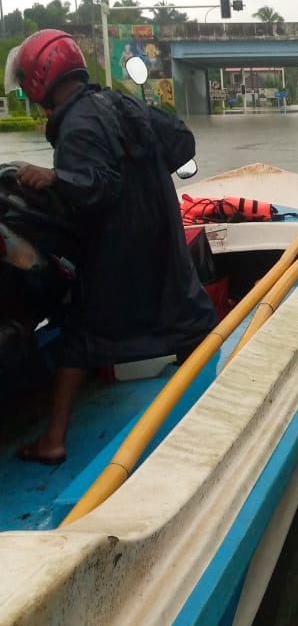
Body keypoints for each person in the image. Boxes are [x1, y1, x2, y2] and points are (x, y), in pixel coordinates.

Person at [4, 30, 218, 464]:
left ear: (39, 79)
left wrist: (56, 178)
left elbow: (97, 189)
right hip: (165, 251)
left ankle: (54, 440)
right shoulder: (123, 104)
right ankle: (214, 417)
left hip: (118, 260)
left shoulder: (77, 126)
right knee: (195, 326)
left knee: (78, 336)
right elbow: (182, 142)